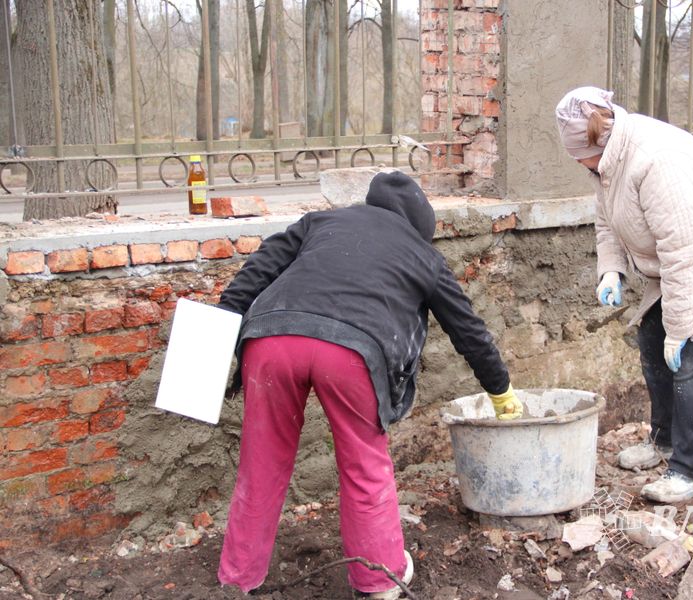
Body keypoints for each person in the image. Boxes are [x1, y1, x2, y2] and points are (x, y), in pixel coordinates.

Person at [215, 170, 522, 598]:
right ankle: (378, 580)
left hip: (271, 339)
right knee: (363, 464)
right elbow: (468, 332)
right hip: (352, 351)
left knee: (260, 462)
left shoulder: (320, 222)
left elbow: (254, 273)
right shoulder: (424, 256)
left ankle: (237, 579)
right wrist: (500, 390)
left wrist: (214, 340)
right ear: (421, 226)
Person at [555, 87, 693, 503]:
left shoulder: (656, 161)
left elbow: (681, 252)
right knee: (651, 339)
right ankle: (664, 441)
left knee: (692, 359)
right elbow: (607, 220)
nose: (578, 166)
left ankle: (689, 470)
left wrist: (680, 328)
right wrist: (610, 270)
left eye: (579, 157)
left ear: (596, 143)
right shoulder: (608, 161)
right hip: (686, 263)